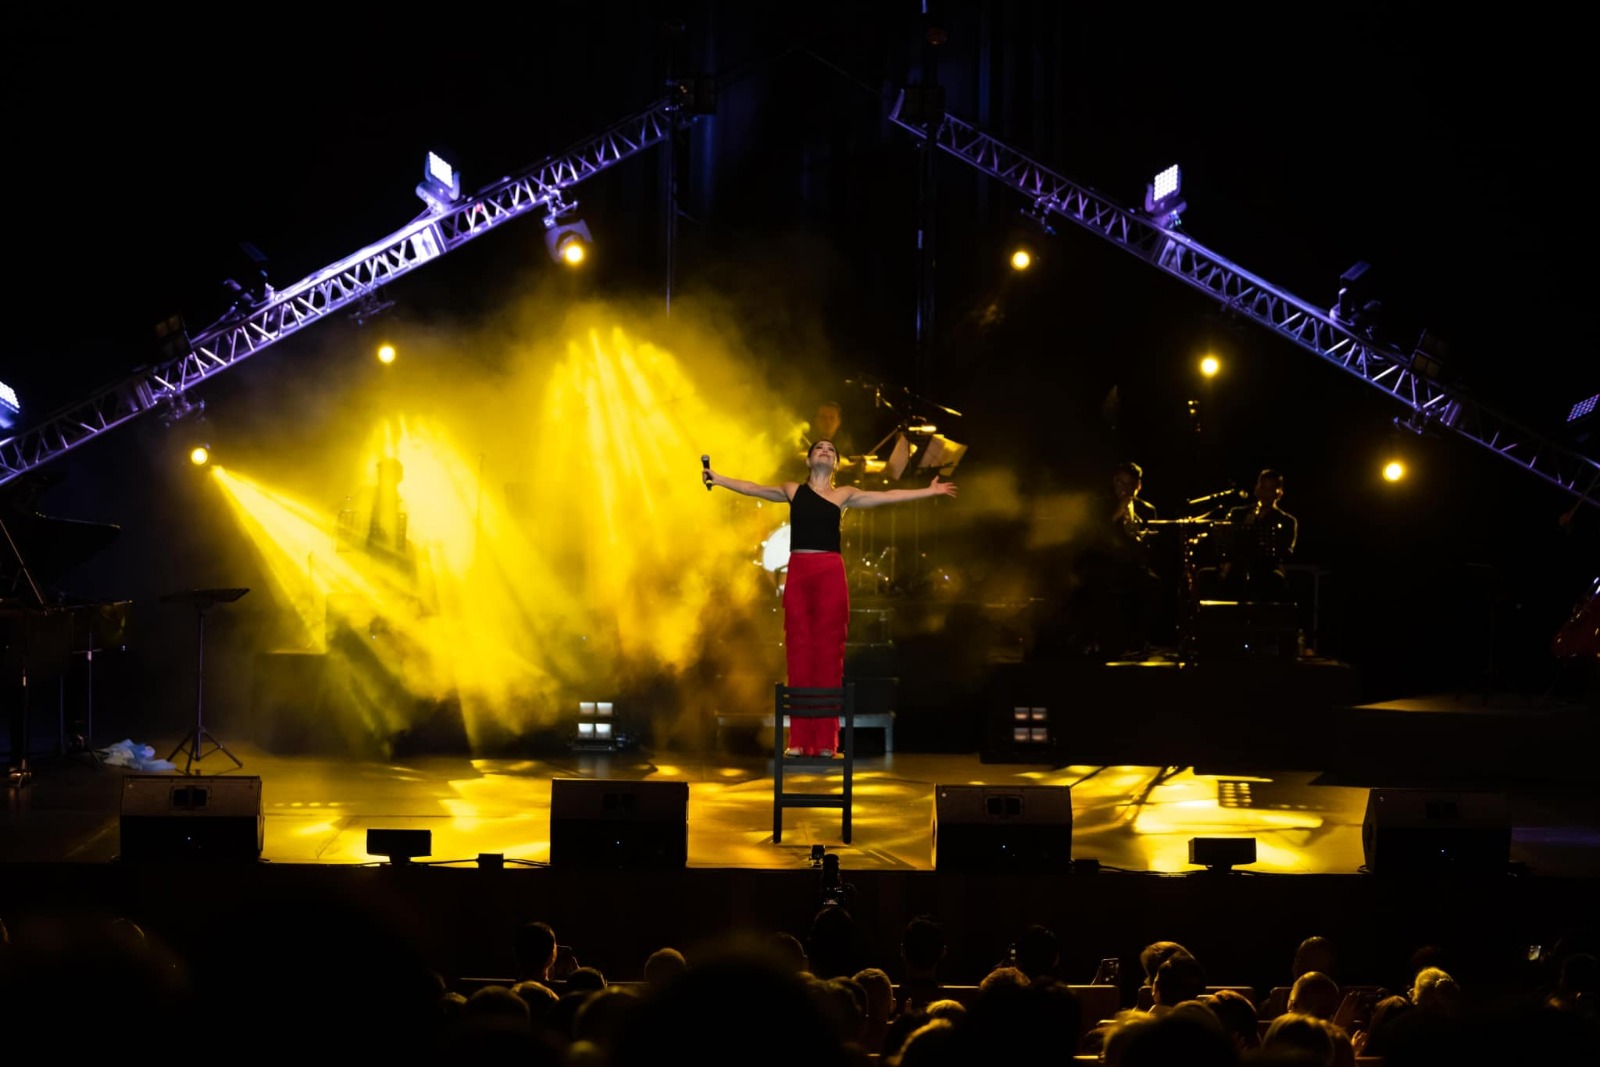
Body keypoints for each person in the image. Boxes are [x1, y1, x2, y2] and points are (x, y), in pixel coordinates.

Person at [704, 440, 957, 756]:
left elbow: (888, 496)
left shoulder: (844, 494)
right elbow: (753, 488)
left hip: (829, 573)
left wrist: (928, 491)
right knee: (799, 652)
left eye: (831, 450)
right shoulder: (793, 490)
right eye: (819, 448)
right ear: (809, 460)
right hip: (799, 570)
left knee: (828, 654)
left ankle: (825, 741)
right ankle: (799, 741)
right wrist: (718, 478)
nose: (825, 450)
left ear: (835, 462)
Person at [1218, 468, 1297, 602]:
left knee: (1271, 580)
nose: (1265, 493)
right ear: (1256, 489)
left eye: (1270, 489)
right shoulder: (1238, 513)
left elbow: (1285, 551)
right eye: (1262, 487)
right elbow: (1227, 543)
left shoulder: (1287, 521)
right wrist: (1245, 527)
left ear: (1279, 493)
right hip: (1237, 566)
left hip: (1267, 569)